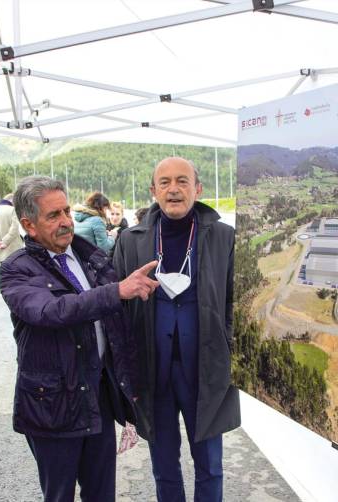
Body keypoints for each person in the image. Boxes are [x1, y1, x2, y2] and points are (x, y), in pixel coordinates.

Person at [0, 176, 158, 502]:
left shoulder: (88, 255)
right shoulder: (17, 270)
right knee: (60, 496)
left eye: (67, 211)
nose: (66, 222)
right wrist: (117, 291)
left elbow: (117, 326)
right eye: (53, 215)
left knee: (101, 495)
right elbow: (52, 311)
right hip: (51, 405)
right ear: (29, 225)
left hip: (95, 395)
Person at [114, 157, 239, 502]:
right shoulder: (131, 240)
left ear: (197, 189)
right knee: (164, 466)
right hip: (153, 372)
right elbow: (118, 308)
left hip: (206, 369)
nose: (173, 189)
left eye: (182, 181)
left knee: (211, 465)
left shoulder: (224, 237)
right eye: (165, 182)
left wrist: (227, 350)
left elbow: (235, 303)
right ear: (153, 191)